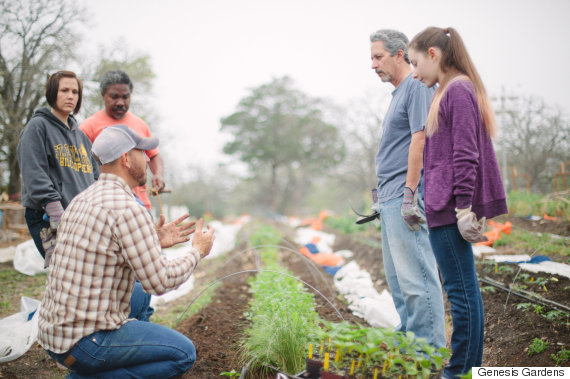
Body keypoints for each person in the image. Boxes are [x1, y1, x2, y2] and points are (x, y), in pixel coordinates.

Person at [38, 124, 216, 378]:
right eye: (142, 153)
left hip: (54, 332)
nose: (146, 160)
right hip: (84, 344)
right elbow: (160, 281)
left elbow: (104, 249)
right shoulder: (128, 208)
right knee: (183, 353)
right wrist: (197, 251)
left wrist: (152, 240)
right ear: (126, 159)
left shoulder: (82, 199)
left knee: (138, 295)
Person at [408, 26, 508, 378]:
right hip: (441, 206)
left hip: (450, 209)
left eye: (416, 63)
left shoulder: (459, 90)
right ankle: (468, 368)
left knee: (461, 294)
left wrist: (465, 207)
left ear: (433, 54)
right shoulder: (445, 91)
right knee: (464, 291)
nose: (414, 73)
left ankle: (460, 370)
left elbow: (466, 154)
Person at [369, 29, 446, 349]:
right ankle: (411, 348)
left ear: (399, 54)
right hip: (388, 196)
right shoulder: (399, 93)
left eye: (378, 57)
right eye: (371, 58)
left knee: (417, 280)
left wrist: (410, 194)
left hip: (404, 193)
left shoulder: (416, 87)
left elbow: (421, 138)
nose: (373, 65)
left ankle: (427, 353)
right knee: (400, 284)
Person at [17, 70, 98, 265]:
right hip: (48, 215)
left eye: (75, 92)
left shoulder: (82, 139)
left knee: (82, 275)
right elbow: (33, 172)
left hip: (80, 216)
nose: (70, 96)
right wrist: (55, 211)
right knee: (65, 271)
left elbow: (94, 177)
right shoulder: (37, 127)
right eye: (64, 90)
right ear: (53, 92)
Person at [80, 70, 164, 210]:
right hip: (105, 205)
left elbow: (153, 155)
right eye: (114, 97)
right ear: (103, 95)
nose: (120, 102)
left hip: (139, 204)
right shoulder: (88, 127)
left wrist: (158, 175)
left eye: (125, 97)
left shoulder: (140, 125)